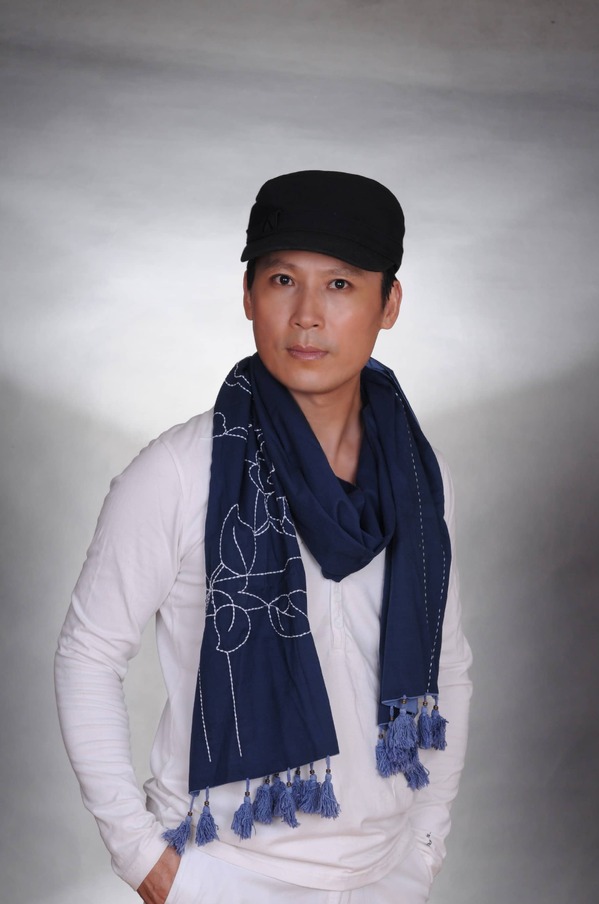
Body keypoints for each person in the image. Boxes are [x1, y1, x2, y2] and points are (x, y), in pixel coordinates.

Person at [55, 170, 472, 904]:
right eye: (283, 280)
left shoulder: (414, 477)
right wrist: (142, 857)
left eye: (340, 285)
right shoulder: (181, 470)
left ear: (389, 304)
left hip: (386, 876)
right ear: (248, 295)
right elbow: (88, 652)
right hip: (223, 869)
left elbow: (449, 665)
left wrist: (425, 844)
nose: (307, 315)